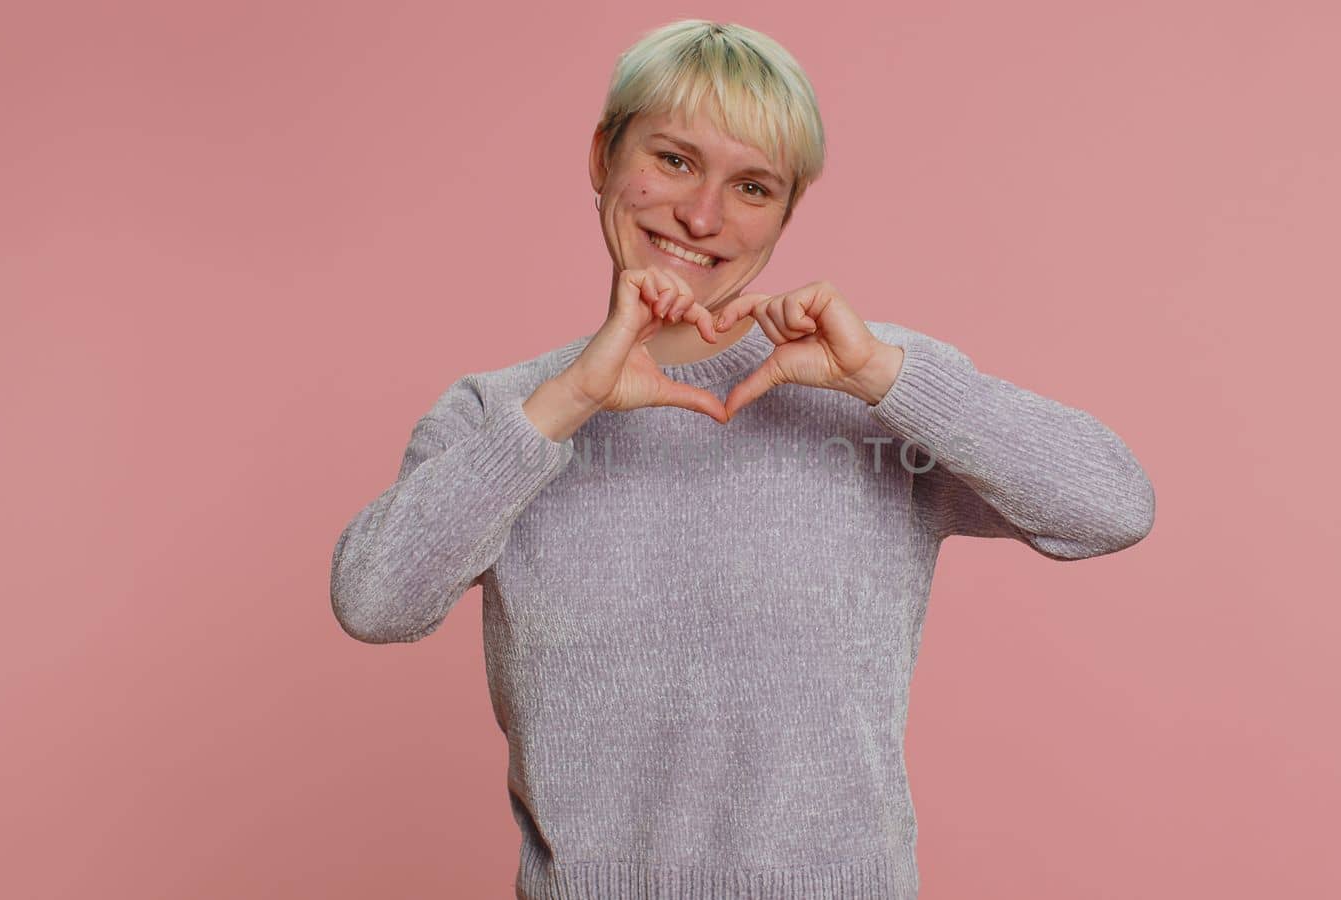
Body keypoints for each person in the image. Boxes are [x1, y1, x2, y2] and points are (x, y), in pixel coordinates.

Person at [330, 19, 1155, 899]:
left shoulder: (873, 390)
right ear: (604, 156)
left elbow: (1111, 505)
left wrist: (879, 375)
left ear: (787, 213)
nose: (701, 215)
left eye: (753, 186)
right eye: (676, 160)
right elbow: (376, 602)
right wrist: (566, 404)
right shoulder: (504, 413)